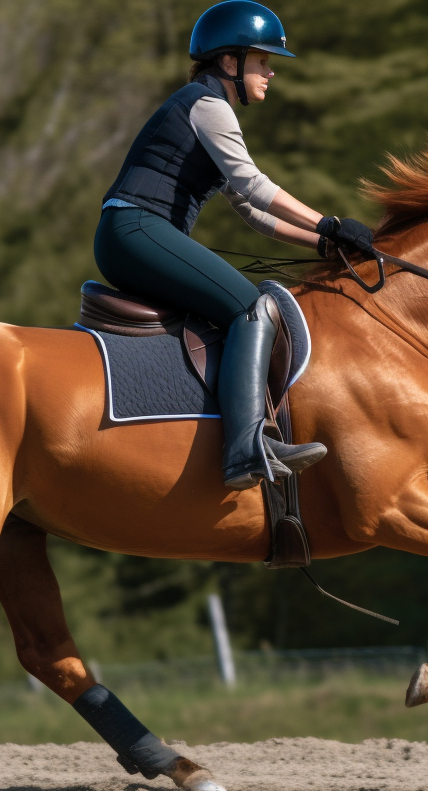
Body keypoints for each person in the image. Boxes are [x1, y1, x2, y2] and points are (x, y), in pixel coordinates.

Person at [93, 0, 374, 490]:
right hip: (137, 229)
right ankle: (246, 449)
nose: (269, 73)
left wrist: (321, 244)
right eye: (262, 62)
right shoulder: (207, 106)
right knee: (253, 307)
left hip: (130, 233)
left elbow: (252, 214)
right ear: (229, 63)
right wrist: (328, 223)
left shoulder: (202, 106)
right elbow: (253, 184)